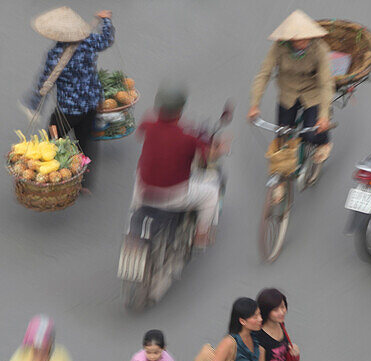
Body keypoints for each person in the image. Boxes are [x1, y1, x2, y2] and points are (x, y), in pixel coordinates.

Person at [28, 7, 114, 190]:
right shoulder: (89, 41)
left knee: (52, 142)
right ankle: (84, 184)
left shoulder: (55, 55)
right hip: (91, 105)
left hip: (67, 111)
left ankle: (47, 177)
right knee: (86, 144)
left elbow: (45, 83)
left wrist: (34, 104)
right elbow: (107, 40)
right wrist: (106, 20)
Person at [131, 84, 224, 247]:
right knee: (211, 194)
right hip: (174, 197)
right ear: (180, 109)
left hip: (144, 192)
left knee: (139, 173)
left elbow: (142, 132)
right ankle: (201, 235)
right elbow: (209, 157)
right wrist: (221, 148)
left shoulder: (149, 124)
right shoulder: (188, 135)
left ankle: (134, 212)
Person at [248, 10, 335, 166]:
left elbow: (326, 83)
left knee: (312, 135)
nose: (301, 43)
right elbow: (264, 74)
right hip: (287, 94)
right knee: (282, 137)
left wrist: (323, 116)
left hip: (312, 93)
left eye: (305, 39)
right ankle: (281, 178)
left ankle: (324, 143)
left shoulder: (320, 49)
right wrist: (255, 105)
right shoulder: (279, 48)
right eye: (297, 39)